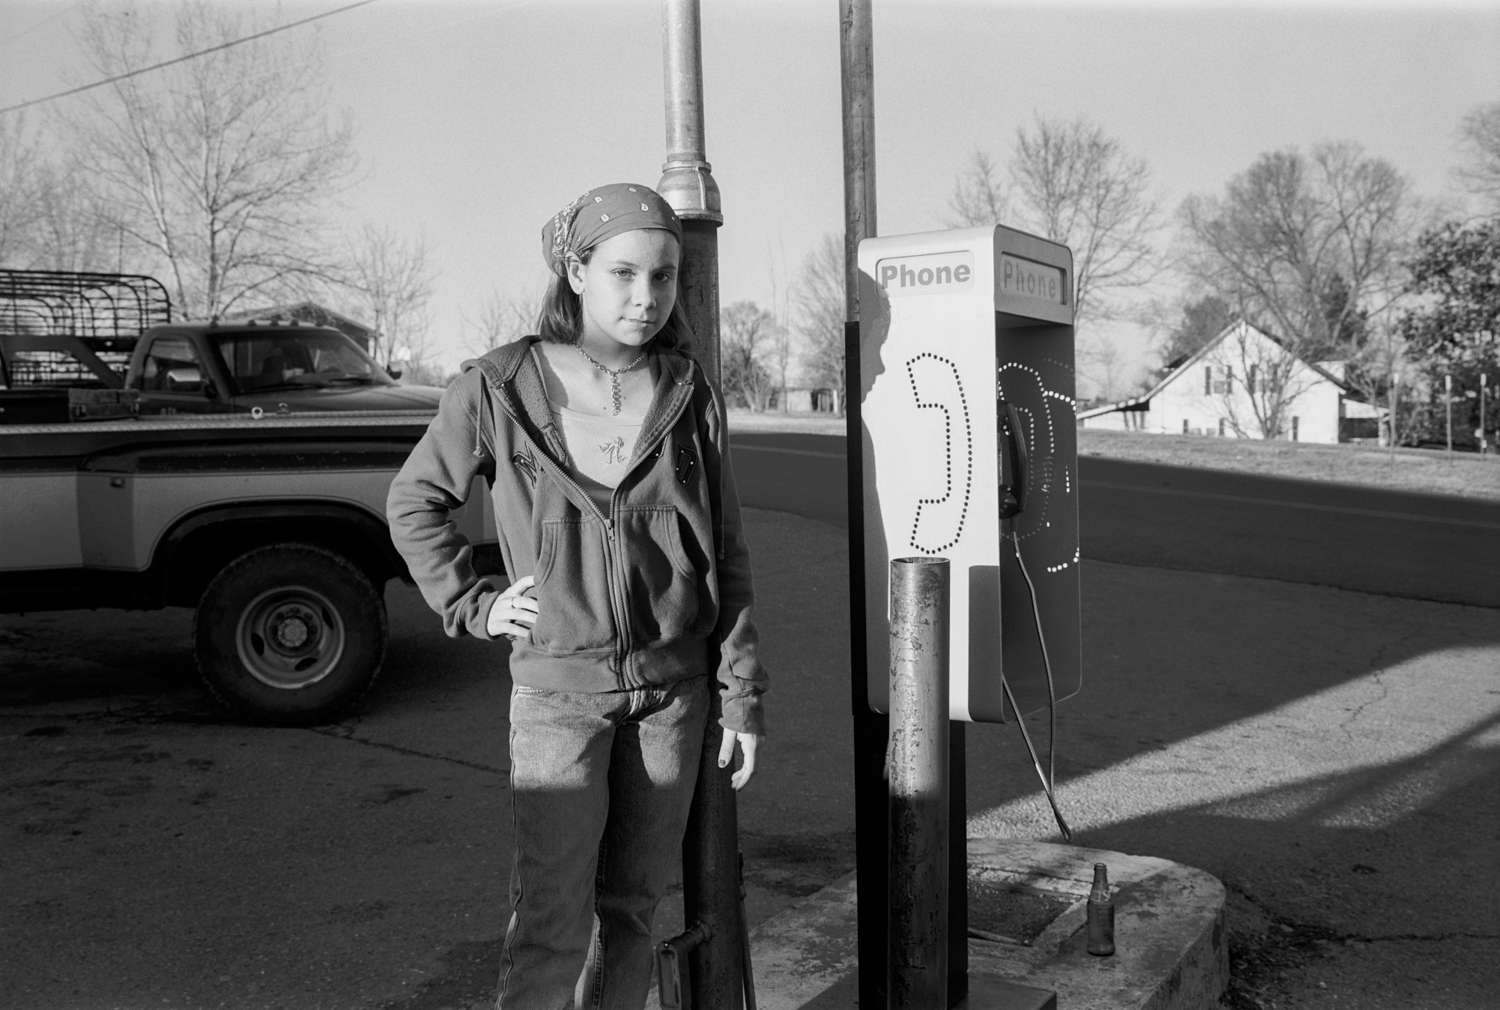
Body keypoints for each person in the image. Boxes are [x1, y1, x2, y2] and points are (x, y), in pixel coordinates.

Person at [385, 181, 767, 1009]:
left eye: (663, 276)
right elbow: (414, 503)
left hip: (673, 697)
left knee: (632, 911)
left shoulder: (689, 391)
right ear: (577, 271)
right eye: (624, 273)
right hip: (559, 699)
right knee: (552, 920)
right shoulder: (499, 386)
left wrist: (741, 694)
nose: (646, 296)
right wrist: (474, 603)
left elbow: (725, 551)